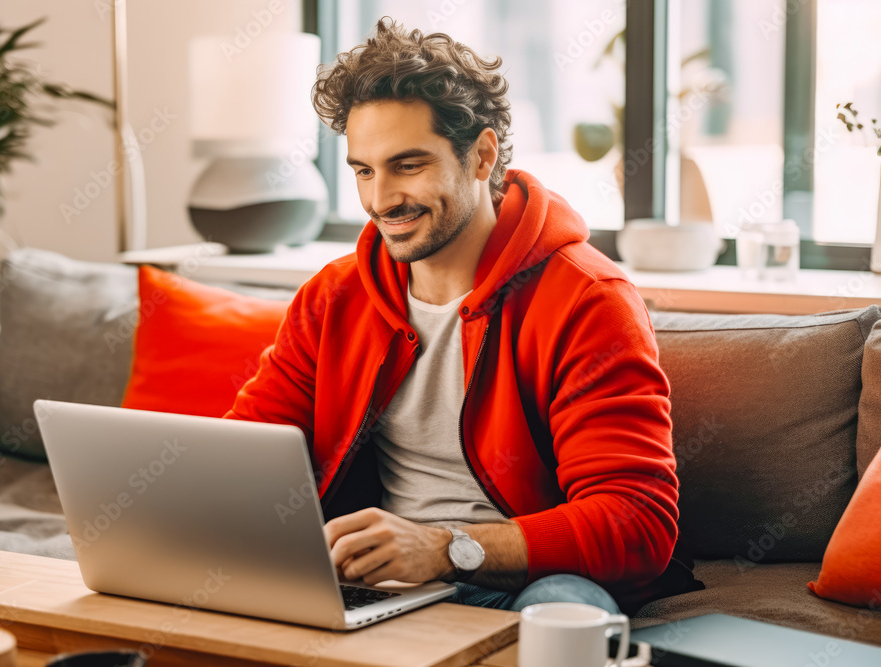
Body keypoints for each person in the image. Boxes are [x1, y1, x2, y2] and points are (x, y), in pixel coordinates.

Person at [223, 18, 700, 615]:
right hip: (370, 582)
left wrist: (447, 548)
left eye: (409, 165)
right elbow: (248, 452)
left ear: (481, 155)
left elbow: (636, 523)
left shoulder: (588, 298)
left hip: (520, 581)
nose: (380, 200)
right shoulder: (334, 296)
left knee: (564, 613)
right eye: (364, 170)